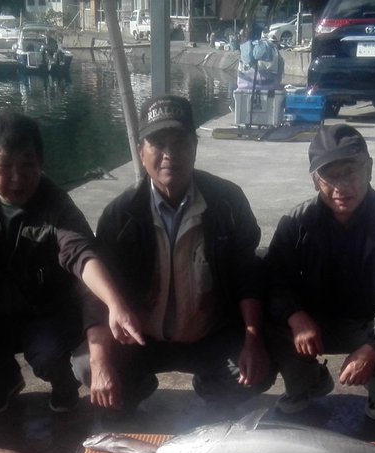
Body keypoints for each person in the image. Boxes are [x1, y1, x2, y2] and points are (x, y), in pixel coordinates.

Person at [0, 110, 142, 415]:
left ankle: (63, 384)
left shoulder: (56, 204)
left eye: (28, 165)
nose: (18, 178)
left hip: (44, 313)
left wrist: (115, 304)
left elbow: (81, 255)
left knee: (46, 354)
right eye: (5, 167)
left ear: (41, 163)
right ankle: (2, 382)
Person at [76, 95, 275, 413]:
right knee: (87, 365)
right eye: (157, 143)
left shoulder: (228, 202)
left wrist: (253, 339)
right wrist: (101, 363)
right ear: (142, 152)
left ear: (195, 147)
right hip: (140, 340)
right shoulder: (120, 214)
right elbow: (96, 295)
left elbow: (247, 272)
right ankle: (135, 386)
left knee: (259, 366)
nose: (170, 154)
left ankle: (212, 387)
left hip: (209, 336)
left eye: (180, 142)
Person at [265, 124, 375, 424]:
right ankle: (305, 384)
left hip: (374, 324)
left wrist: (372, 347)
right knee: (268, 322)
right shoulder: (296, 224)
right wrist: (296, 316)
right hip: (316, 325)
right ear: (315, 180)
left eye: (350, 171)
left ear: (369, 169)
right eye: (329, 175)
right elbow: (274, 279)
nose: (341, 186)